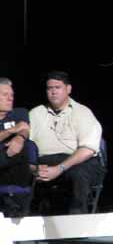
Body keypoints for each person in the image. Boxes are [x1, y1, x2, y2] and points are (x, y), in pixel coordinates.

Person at [28, 71, 105, 215]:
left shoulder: (83, 113)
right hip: (44, 161)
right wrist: (32, 166)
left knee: (79, 173)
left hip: (78, 161)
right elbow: (25, 141)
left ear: (68, 89)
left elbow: (87, 149)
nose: (53, 92)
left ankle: (76, 219)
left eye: (57, 87)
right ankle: (21, 217)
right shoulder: (36, 114)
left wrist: (60, 168)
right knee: (17, 168)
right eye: (50, 88)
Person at [0, 78, 35, 217]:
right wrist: (12, 130)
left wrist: (19, 138)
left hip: (10, 167)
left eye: (12, 95)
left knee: (25, 148)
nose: (10, 98)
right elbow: (20, 127)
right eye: (5, 95)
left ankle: (16, 200)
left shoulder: (19, 112)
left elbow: (25, 129)